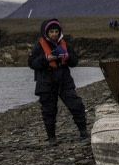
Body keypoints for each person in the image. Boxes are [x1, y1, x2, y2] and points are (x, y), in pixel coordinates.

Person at [27, 18, 89, 146]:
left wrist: (67, 57)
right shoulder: (38, 46)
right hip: (45, 82)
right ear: (46, 33)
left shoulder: (65, 45)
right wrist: (46, 59)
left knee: (76, 105)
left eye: (56, 31)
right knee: (49, 111)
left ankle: (83, 131)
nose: (54, 34)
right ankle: (51, 138)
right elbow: (32, 63)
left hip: (64, 81)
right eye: (51, 32)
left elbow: (74, 61)